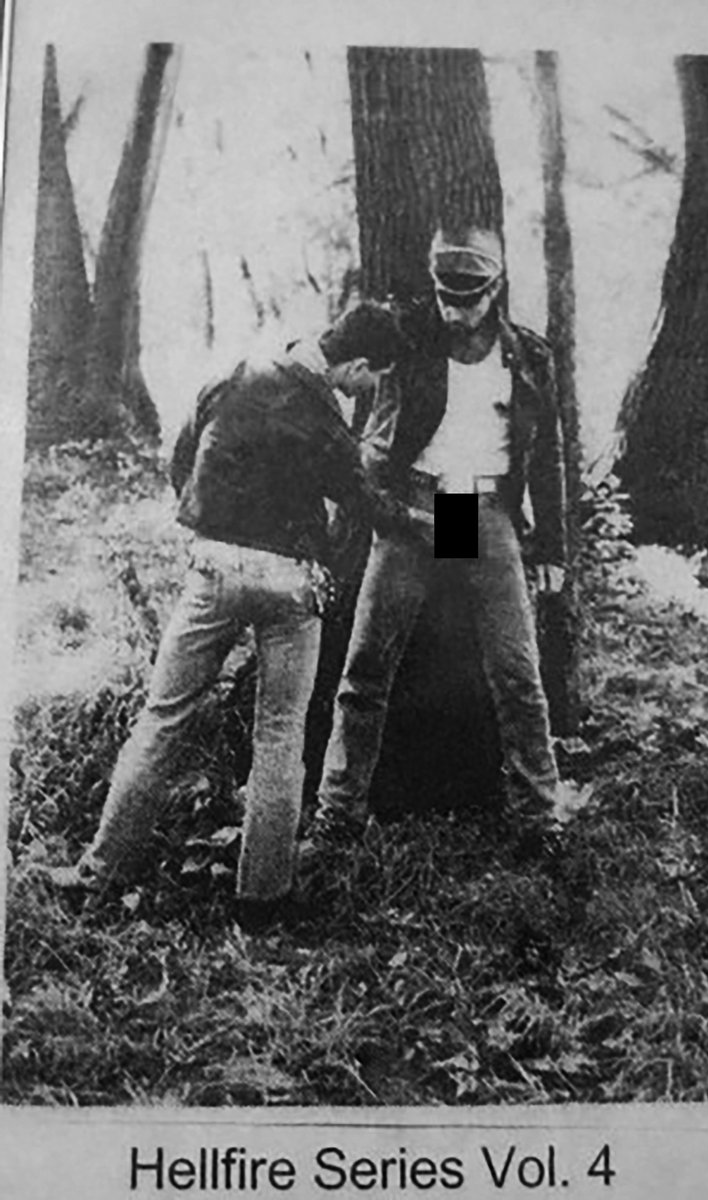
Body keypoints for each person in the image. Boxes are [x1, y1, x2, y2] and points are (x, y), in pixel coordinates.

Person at [41, 303, 410, 931]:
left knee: (162, 719)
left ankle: (97, 875)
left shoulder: (236, 373)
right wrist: (469, 526)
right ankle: (262, 901)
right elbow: (372, 507)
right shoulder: (327, 419)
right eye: (372, 377)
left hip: (211, 570)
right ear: (354, 365)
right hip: (290, 584)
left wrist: (211, 529)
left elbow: (180, 460)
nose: (369, 390)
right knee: (280, 736)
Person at [309, 225, 580, 851]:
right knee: (366, 666)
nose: (456, 311)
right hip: (414, 507)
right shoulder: (407, 335)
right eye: (445, 296)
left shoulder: (527, 356)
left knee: (516, 670)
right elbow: (339, 355)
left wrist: (553, 548)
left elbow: (548, 458)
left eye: (470, 298)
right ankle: (338, 813)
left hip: (481, 512)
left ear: (495, 290)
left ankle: (541, 817)